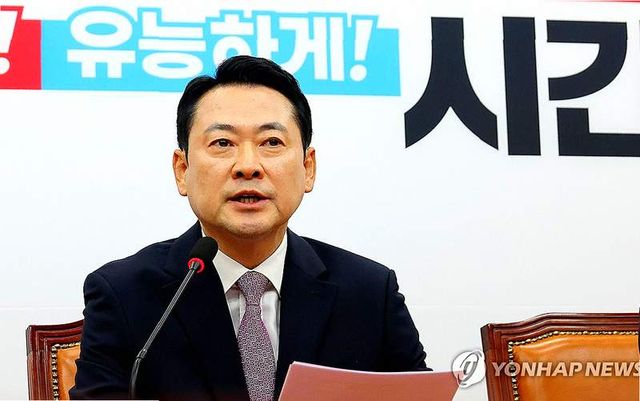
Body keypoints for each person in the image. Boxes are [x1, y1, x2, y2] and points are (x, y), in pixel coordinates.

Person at [70, 55, 427, 401]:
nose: (247, 166)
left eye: (271, 142)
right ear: (182, 170)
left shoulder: (369, 292)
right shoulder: (124, 295)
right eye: (222, 143)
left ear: (308, 168)